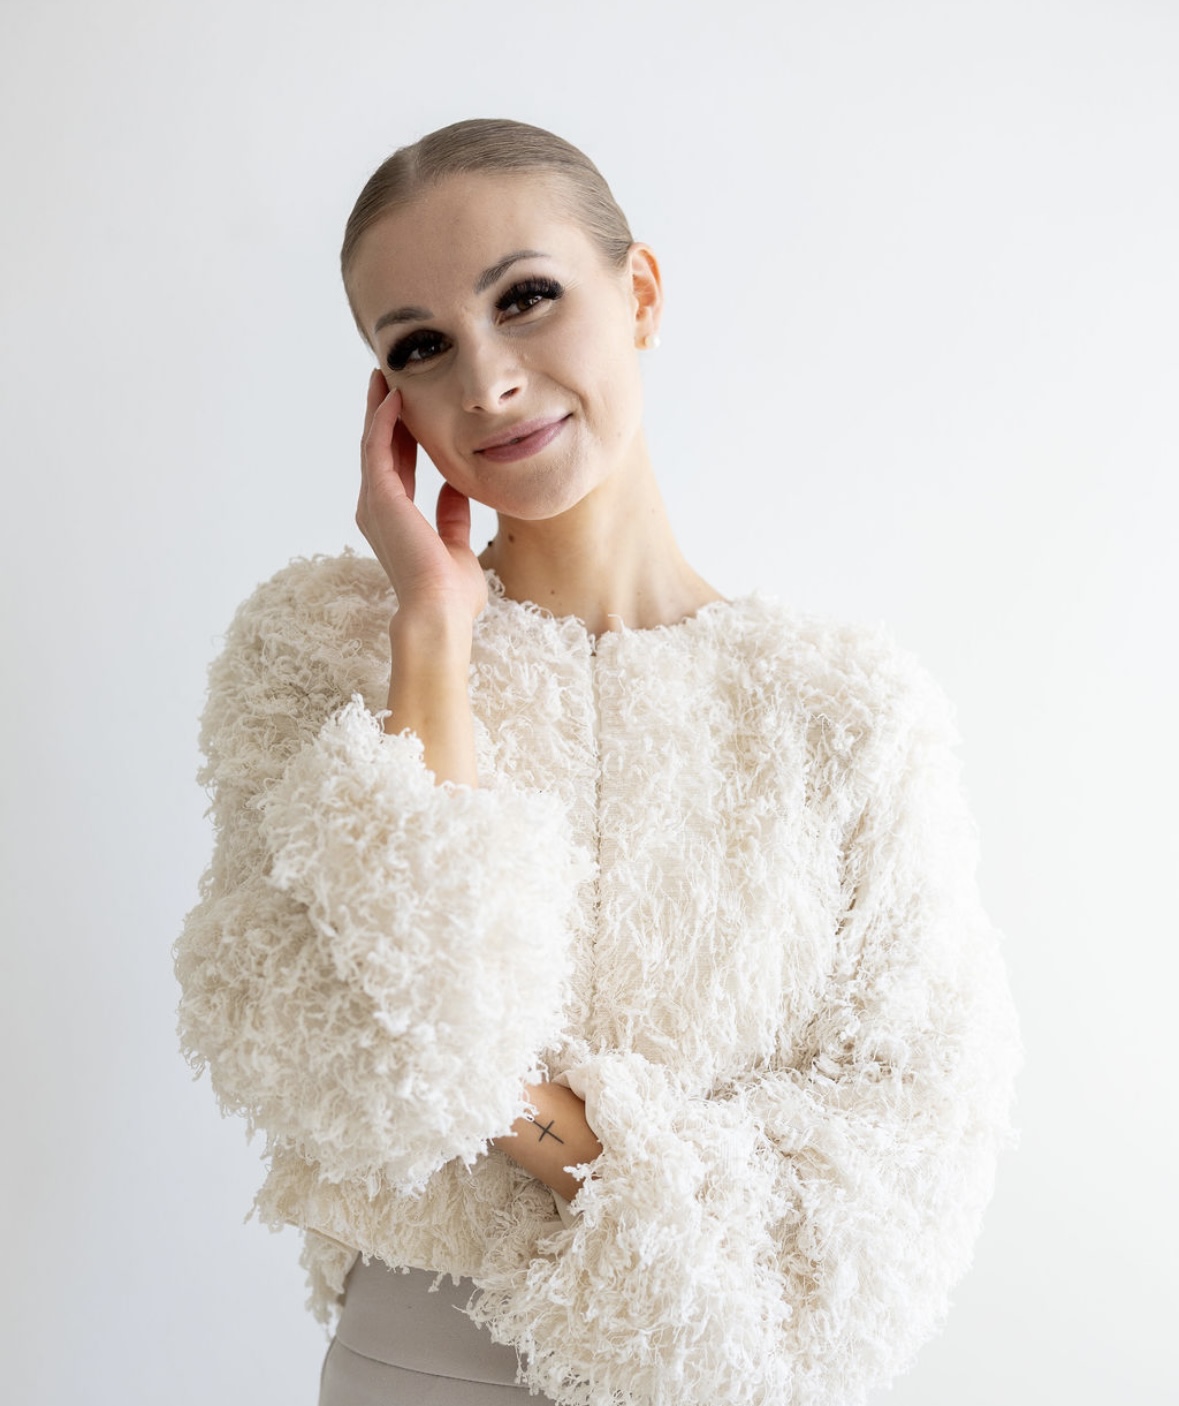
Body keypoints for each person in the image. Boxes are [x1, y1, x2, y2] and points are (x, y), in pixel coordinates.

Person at [173, 117, 1022, 1406]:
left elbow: (908, 1157)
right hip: (421, 1367)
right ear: (388, 401)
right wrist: (431, 637)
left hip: (728, 1371)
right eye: (420, 346)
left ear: (640, 296)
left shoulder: (847, 710)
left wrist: (512, 1109)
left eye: (525, 298)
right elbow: (340, 1046)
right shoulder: (322, 653)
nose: (486, 382)